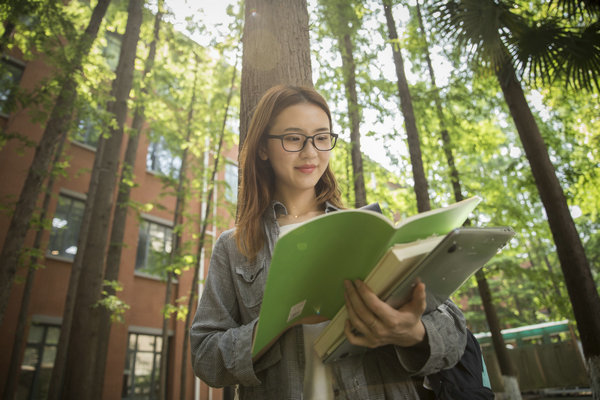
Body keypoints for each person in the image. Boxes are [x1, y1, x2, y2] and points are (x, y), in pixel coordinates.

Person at [190, 85, 467, 399]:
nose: (310, 152)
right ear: (264, 148)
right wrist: (278, 323)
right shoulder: (234, 246)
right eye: (293, 138)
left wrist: (412, 332)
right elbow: (205, 358)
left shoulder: (367, 229)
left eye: (321, 137)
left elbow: (455, 334)